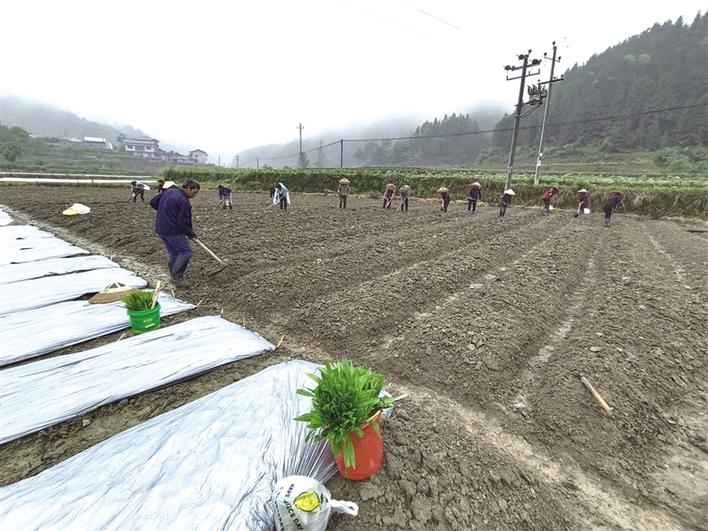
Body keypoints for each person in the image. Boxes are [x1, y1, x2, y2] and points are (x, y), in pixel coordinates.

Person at [149, 179, 201, 287]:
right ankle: (177, 278)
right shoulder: (183, 201)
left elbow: (153, 202)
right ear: (188, 188)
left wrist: (165, 211)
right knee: (186, 252)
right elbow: (184, 223)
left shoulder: (169, 192)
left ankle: (174, 277)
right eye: (194, 192)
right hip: (173, 231)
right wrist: (192, 235)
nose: (194, 195)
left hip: (161, 229)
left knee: (174, 253)